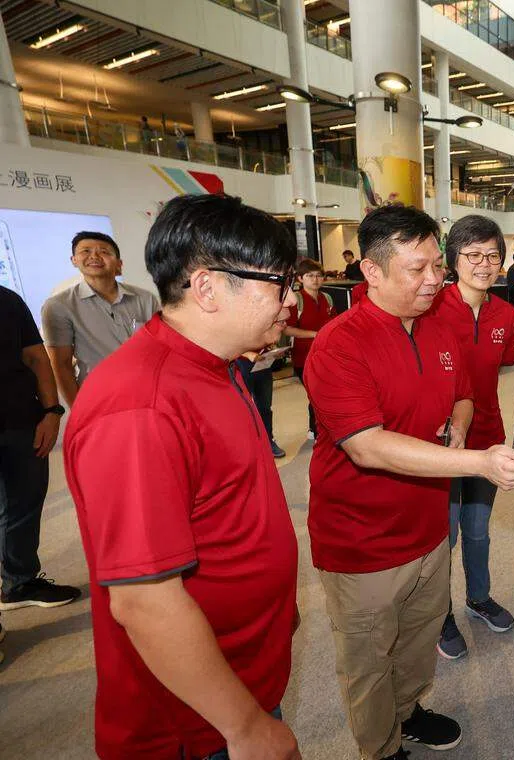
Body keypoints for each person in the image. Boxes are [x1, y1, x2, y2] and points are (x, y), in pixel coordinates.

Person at [303, 205, 514, 760]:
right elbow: (365, 445)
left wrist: (461, 427)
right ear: (371, 271)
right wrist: (480, 463)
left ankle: (410, 712)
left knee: (417, 640)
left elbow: (464, 391)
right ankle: (381, 747)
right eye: (418, 269)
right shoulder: (339, 343)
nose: (435, 279)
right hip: (362, 540)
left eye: (437, 265)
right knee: (369, 658)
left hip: (428, 527)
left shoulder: (439, 324)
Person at [63, 194, 301, 758]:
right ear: (208, 287)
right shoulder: (139, 407)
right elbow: (145, 601)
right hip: (196, 723)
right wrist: (244, 727)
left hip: (242, 669)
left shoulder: (219, 363)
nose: (291, 302)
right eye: (278, 283)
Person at [427, 215, 514, 661]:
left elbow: (496, 369)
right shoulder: (430, 309)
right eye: (473, 255)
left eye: (493, 255)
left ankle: (478, 597)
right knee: (444, 535)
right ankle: (438, 612)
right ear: (453, 259)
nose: (484, 264)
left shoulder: (507, 313)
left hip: (489, 437)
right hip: (440, 443)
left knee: (479, 532)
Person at [0, 286, 78, 641]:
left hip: (20, 421)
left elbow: (35, 356)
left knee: (25, 503)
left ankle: (19, 582)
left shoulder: (7, 299)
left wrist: (52, 410)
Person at [42, 231, 161, 406]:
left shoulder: (144, 298)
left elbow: (160, 347)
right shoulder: (59, 306)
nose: (95, 256)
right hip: (100, 399)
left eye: (104, 252)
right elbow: (61, 365)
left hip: (150, 393)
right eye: (86, 251)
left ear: (119, 264)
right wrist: (79, 412)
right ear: (74, 260)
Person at [285, 257, 337, 439]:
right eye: (310, 276)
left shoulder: (327, 298)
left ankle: (315, 428)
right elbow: (287, 328)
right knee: (316, 393)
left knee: (325, 392)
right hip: (303, 356)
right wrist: (316, 334)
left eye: (318, 276)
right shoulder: (296, 300)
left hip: (327, 355)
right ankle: (316, 429)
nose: (315, 280)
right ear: (300, 278)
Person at [236, 346, 287, 459]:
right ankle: (246, 446)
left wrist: (274, 350)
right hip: (242, 364)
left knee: (265, 408)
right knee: (243, 409)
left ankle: (269, 441)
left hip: (263, 362)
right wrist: (246, 352)